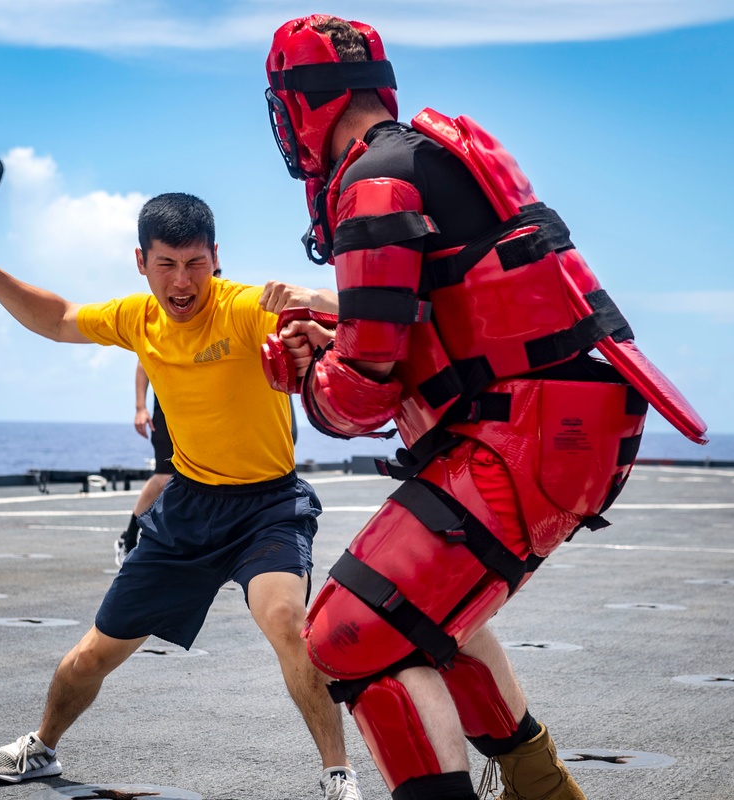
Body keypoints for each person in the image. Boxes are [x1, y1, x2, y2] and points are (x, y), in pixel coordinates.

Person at [262, 16, 708, 800]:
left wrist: (306, 377)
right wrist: (335, 338)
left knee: (350, 634)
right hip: (560, 434)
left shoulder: (373, 185)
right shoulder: (426, 159)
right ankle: (545, 790)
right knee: (426, 617)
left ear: (299, 105)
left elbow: (363, 392)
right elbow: (456, 326)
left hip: (514, 442)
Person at [0, 192, 360, 800]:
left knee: (287, 622)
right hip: (188, 510)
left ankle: (338, 775)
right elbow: (57, 319)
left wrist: (316, 299)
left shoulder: (245, 308)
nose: (182, 281)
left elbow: (367, 315)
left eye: (196, 264)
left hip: (268, 506)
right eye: (167, 264)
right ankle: (42, 747)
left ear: (215, 257)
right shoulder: (138, 318)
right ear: (141, 262)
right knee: (91, 656)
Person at [114, 360, 178, 567]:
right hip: (166, 412)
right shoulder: (163, 337)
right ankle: (128, 538)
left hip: (200, 413)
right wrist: (140, 408)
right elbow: (143, 363)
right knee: (164, 477)